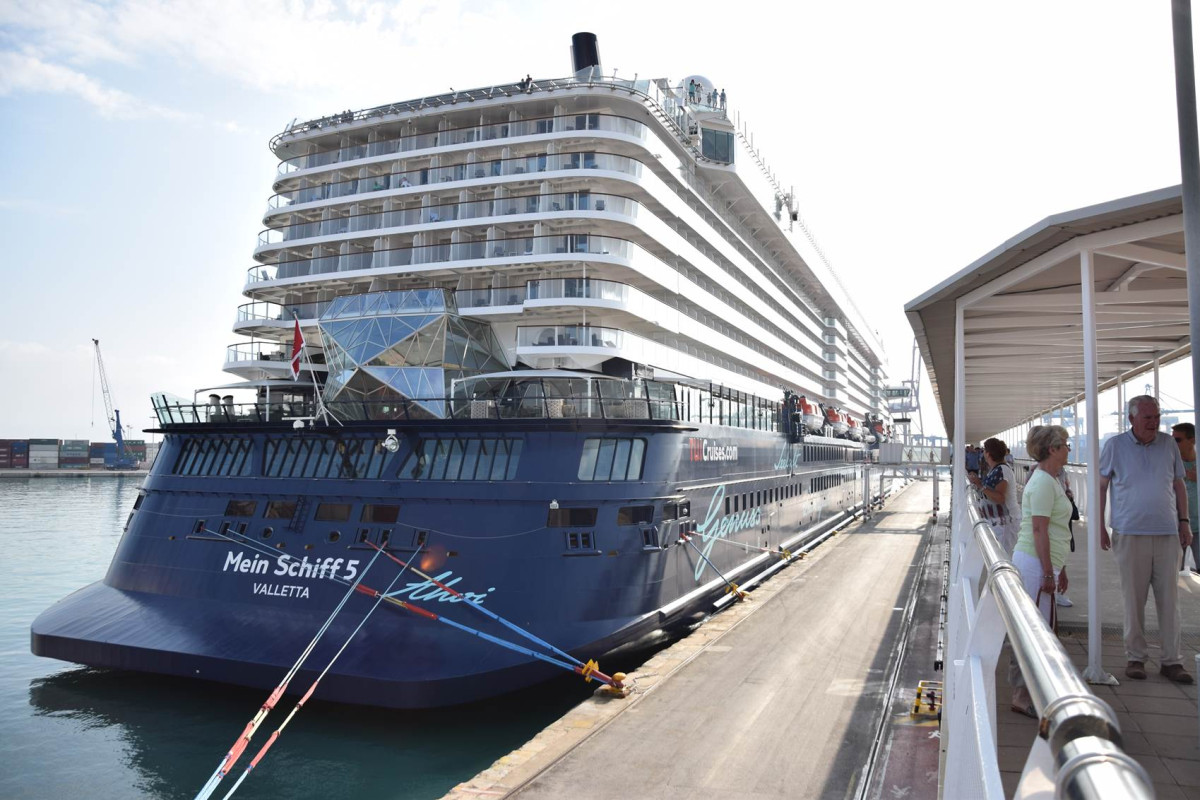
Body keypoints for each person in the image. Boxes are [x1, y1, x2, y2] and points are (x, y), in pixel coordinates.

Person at [1099, 396, 1193, 683]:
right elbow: (1101, 486)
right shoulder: (1115, 446)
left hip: (1166, 533)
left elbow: (1179, 485)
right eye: (1147, 418)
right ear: (1131, 419)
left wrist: (1184, 522)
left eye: (1157, 417)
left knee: (1169, 600)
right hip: (1130, 532)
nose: (1154, 423)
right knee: (1134, 599)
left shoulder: (1168, 445)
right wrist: (1101, 527)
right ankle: (1135, 657)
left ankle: (1171, 660)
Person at [1008, 425, 1072, 717]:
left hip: (1041, 562)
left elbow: (1055, 529)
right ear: (1053, 449)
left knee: (1039, 629)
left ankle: (1030, 691)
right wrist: (1048, 572)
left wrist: (1061, 568)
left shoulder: (1050, 479)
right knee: (1035, 632)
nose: (1069, 449)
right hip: (1035, 564)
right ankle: (1022, 695)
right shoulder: (1045, 482)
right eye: (1066, 444)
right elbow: (1038, 530)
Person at [969, 437, 1020, 552]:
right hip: (998, 523)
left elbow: (1000, 498)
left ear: (988, 453)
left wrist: (980, 485)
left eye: (984, 450)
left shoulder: (1001, 470)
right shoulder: (996, 469)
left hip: (1005, 523)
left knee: (1004, 557)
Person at [1174, 422, 1198, 572]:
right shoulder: (1171, 463)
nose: (1173, 444)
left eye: (1178, 440)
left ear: (1192, 440)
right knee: (1174, 571)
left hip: (1199, 526)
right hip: (1177, 525)